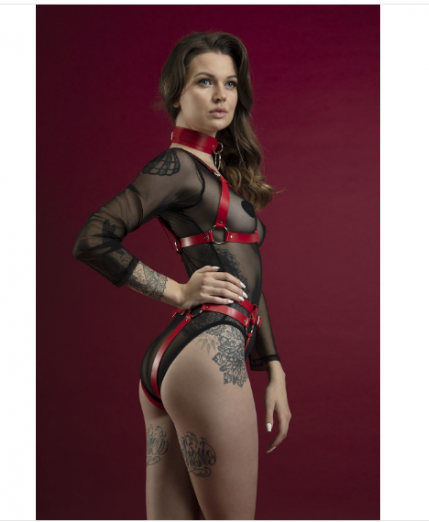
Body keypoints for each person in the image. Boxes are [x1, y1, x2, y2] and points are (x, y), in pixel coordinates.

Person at [72, 31, 291, 520]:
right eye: (204, 82)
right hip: (207, 357)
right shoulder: (177, 167)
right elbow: (93, 238)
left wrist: (273, 367)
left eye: (230, 84)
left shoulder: (213, 171)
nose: (221, 95)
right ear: (176, 93)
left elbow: (246, 280)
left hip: (186, 359)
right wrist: (176, 291)